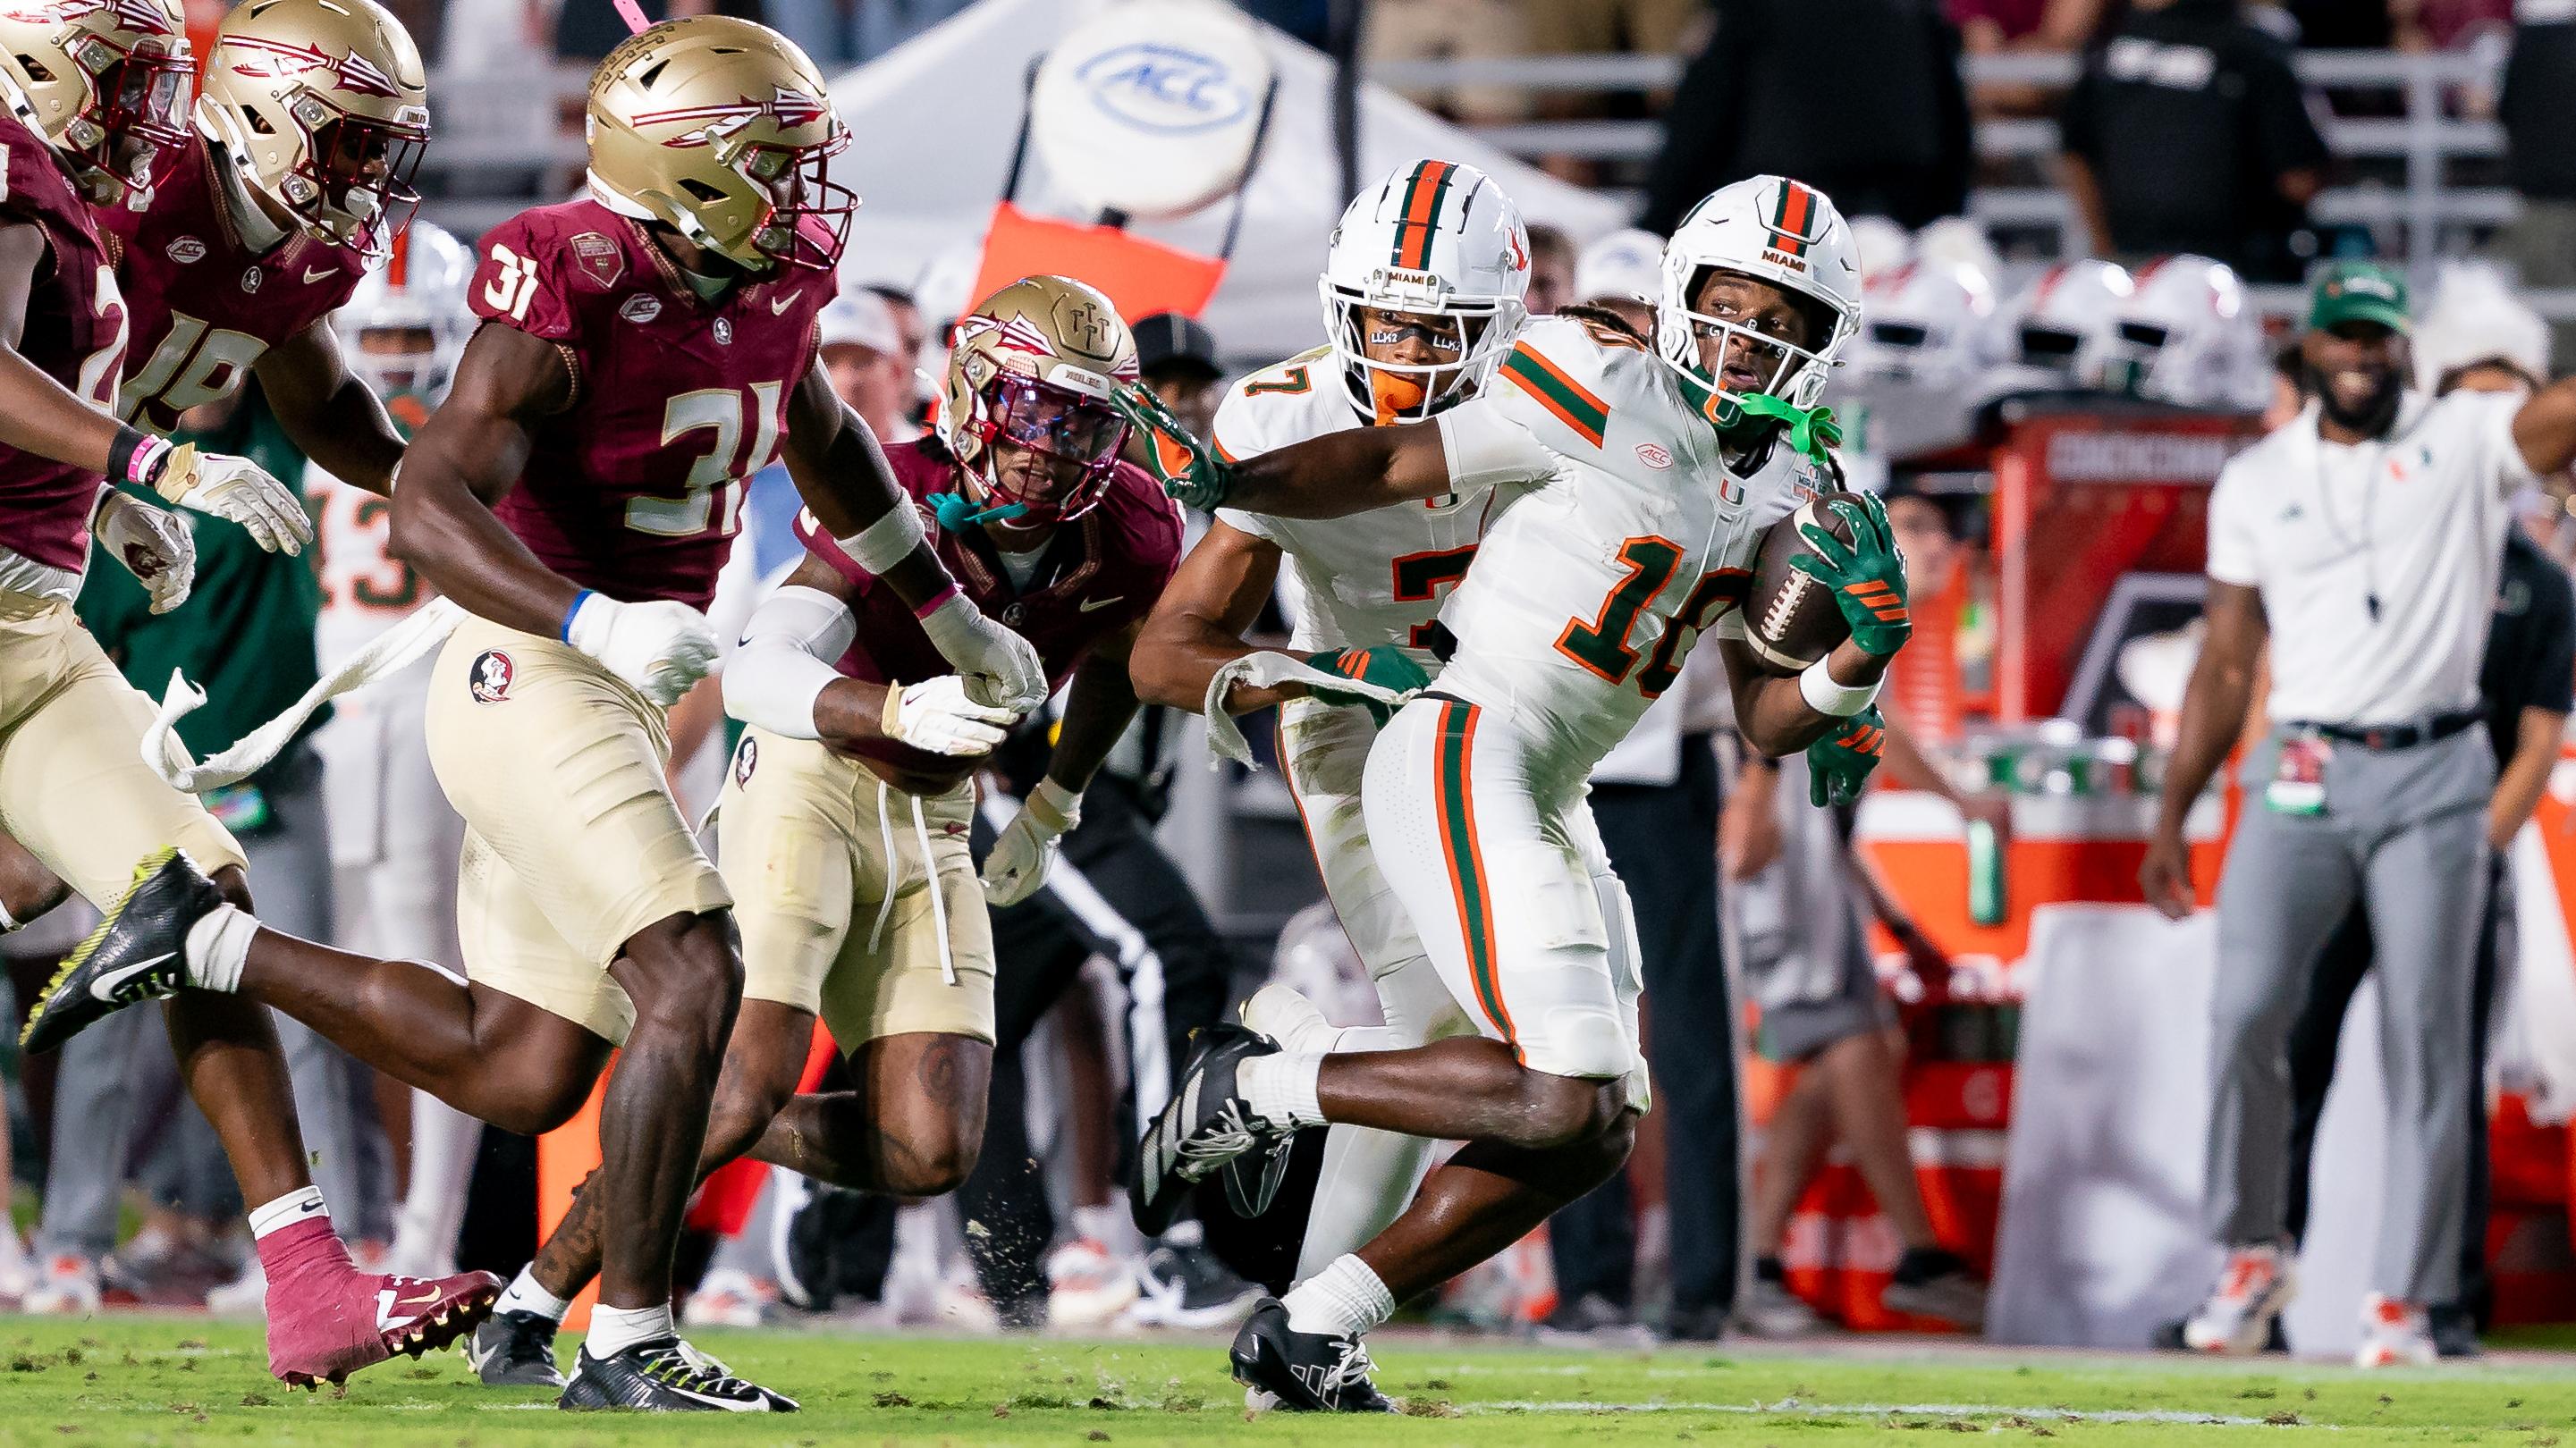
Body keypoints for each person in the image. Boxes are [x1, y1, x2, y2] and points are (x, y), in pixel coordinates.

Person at [27, 16, 1044, 1412]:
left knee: (519, 1072)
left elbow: (830, 447)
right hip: (540, 662)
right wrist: (584, 614)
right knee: (693, 972)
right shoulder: (569, 270)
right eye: (775, 162)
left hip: (597, 670)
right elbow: (431, 498)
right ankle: (629, 1340)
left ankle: (205, 944)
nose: (804, 196)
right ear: (691, 169)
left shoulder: (765, 285)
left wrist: (955, 621)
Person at [1119, 173, 1909, 1410]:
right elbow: (1391, 454)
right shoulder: (1596, 376)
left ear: (1825, 339)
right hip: (1463, 742)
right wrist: (1237, 484)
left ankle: (1314, 1325)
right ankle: (1258, 1083)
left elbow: (1767, 715)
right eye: (1729, 305)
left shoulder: (1799, 493)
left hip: (1552, 786)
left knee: (1596, 1122)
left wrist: (1859, 660)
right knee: (1554, 1085)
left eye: (1781, 319)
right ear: (1679, 296)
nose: (1747, 337)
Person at [489, 274, 1179, 1351]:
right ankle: (532, 1303)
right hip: (807, 778)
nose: (1050, 447)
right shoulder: (892, 487)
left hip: (936, 817)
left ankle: (702, 1118)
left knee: (927, 1147)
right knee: (745, 1082)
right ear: (971, 390)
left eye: (1082, 421)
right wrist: (892, 706)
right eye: (1032, 409)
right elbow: (758, 662)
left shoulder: (1133, 526)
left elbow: (1117, 657)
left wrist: (1056, 798)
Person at [0, 0, 495, 1385]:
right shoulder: (36, 168)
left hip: (31, 617)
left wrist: (471, 516)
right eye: (349, 144)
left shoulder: (239, 234)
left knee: (190, 894)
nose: (368, 180)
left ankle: (309, 1279)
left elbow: (323, 406)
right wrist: (142, 469)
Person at [1127, 158, 1534, 1366]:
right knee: (1439, 1023)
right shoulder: (1283, 415)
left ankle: (1279, 1084)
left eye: (1437, 329)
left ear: (1500, 324)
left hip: (1508, 731)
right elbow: (1167, 651)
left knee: (1534, 1055)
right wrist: (1323, 671)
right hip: (1356, 723)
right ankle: (1312, 1329)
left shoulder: (1556, 399)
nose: (1404, 354)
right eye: (1384, 321)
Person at [2138, 260, 2576, 1367]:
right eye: (2342, 336)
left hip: (2435, 770)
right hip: (2302, 765)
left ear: (2403, 350)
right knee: (2244, 1012)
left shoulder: (2460, 437)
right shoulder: (2256, 478)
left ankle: (2407, 1298)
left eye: (2378, 338)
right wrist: (2173, 811)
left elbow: (2556, 419)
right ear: (2308, 348)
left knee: (2428, 1043)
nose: (2360, 356)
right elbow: (2224, 667)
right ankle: (2247, 1251)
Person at [2265, 354, 2575, 1361]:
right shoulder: (2363, 545)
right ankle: (2256, 1284)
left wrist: (2461, 849)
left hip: (2451, 848)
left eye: (2510, 412)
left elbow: (2537, 741)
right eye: (2472, 408)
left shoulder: (2536, 583)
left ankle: (2443, 1299)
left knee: (2441, 1078)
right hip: (2334, 838)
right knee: (2292, 1061)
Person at [307, 221, 481, 1284]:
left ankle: (429, 1231)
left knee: (427, 972)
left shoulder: (464, 432)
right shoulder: (455, 432)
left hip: (428, 710)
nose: (397, 357)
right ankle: (375, 1225)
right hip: (339, 717)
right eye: (380, 334)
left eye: (415, 334)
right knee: (357, 978)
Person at [1640, 0, 1972, 234]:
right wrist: (1945, 217)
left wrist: (1657, 220)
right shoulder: (1917, 9)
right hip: (1901, 210)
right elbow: (1953, 119)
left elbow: (1701, 116)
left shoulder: (1753, 8)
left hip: (1782, 213)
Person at [2056, 0, 2328, 283]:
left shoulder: (2108, 42)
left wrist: (2106, 245)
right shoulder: (2250, 45)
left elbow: (2075, 150)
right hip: (2230, 270)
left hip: (2142, 268)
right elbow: (2300, 179)